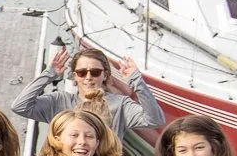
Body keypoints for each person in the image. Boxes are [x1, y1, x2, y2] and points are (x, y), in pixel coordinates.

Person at [11, 46, 164, 142]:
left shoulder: (121, 104)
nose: (89, 77)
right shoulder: (59, 101)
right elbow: (20, 106)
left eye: (95, 72)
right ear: (74, 77)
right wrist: (49, 73)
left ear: (105, 75)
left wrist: (137, 81)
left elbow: (155, 120)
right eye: (82, 72)